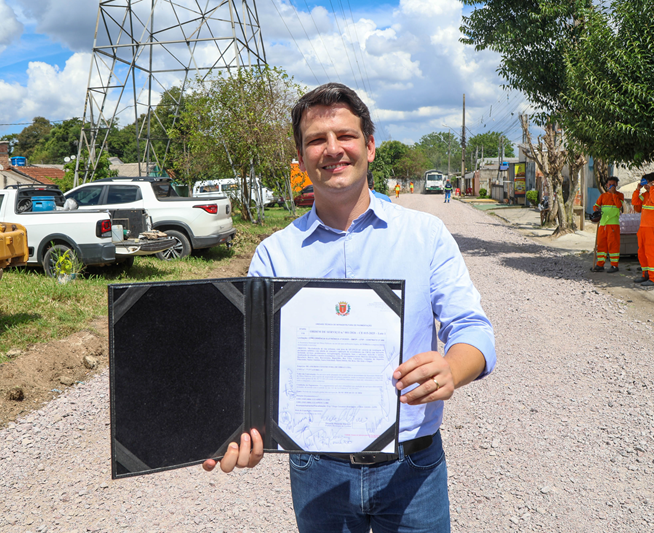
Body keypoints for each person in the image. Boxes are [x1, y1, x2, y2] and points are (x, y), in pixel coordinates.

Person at [202, 82, 496, 533]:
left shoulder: (426, 235)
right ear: (300, 160)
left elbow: (474, 330)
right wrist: (232, 427)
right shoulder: (274, 255)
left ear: (370, 147)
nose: (332, 149)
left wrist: (452, 369)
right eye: (317, 140)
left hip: (412, 465)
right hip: (315, 470)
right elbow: (249, 363)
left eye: (346, 136)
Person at [631, 172, 654, 286]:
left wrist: (652, 187)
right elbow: (635, 203)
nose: (645, 186)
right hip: (643, 227)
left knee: (652, 253)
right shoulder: (645, 194)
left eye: (646, 183)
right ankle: (645, 275)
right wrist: (638, 189)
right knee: (642, 252)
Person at [591, 176, 624, 273]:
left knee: (613, 245)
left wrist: (614, 194)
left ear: (616, 185)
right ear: (606, 185)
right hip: (602, 224)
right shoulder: (602, 196)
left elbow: (619, 205)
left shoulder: (620, 195)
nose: (611, 186)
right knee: (601, 245)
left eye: (613, 184)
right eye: (610, 185)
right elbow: (595, 206)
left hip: (613, 224)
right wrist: (596, 210)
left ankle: (614, 265)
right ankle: (600, 264)